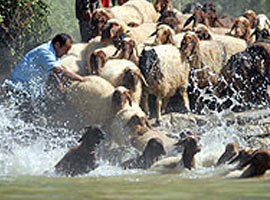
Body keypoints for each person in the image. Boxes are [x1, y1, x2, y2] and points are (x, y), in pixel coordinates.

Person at [4, 33, 86, 99]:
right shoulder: (45, 52)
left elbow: (60, 70)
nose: (66, 53)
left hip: (26, 90)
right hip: (18, 89)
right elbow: (59, 70)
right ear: (57, 45)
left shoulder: (53, 53)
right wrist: (80, 79)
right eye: (65, 50)